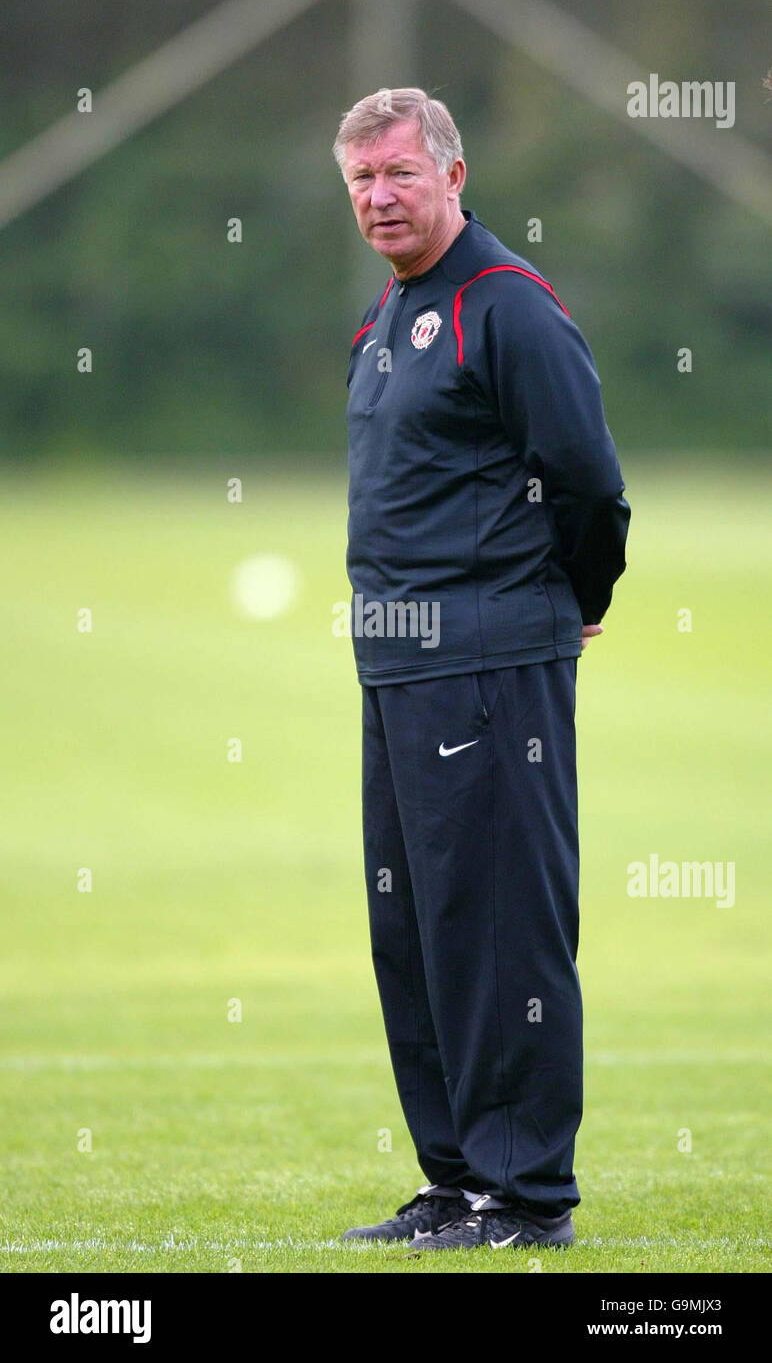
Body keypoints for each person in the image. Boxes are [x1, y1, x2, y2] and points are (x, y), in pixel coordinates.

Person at [331, 87, 630, 1253]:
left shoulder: (506, 306)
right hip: (397, 671)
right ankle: (456, 1178)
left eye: (400, 173)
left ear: (454, 175)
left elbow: (587, 478)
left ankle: (526, 1195)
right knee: (416, 932)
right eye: (360, 180)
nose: (378, 197)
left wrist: (574, 602)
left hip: (491, 666)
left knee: (500, 926)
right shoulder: (382, 321)